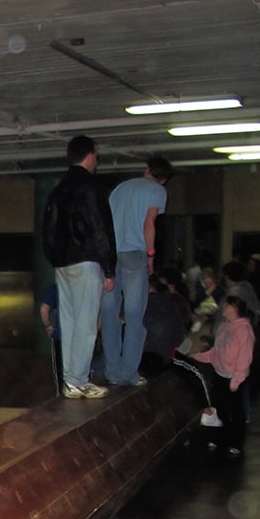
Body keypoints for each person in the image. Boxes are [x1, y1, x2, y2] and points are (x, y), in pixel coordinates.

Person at [41, 134, 116, 399]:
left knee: (70, 321)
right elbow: (99, 228)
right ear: (90, 155)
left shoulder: (59, 188)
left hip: (62, 263)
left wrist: (54, 258)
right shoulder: (90, 187)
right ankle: (79, 379)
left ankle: (70, 380)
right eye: (96, 155)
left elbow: (47, 228)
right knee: (86, 324)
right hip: (85, 260)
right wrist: (108, 268)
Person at [103, 156, 171, 386]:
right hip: (134, 254)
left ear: (147, 169)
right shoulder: (157, 191)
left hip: (111, 255)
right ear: (163, 180)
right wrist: (151, 255)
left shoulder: (121, 188)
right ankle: (128, 373)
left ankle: (112, 371)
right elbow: (148, 224)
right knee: (133, 317)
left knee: (110, 315)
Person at [191, 294, 255, 457]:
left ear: (235, 309)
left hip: (233, 377)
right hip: (220, 374)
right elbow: (217, 350)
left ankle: (236, 442)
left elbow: (245, 357)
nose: (223, 309)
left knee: (235, 411)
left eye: (227, 306)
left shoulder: (244, 330)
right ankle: (221, 437)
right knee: (220, 409)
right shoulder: (225, 326)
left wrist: (236, 380)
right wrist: (200, 356)